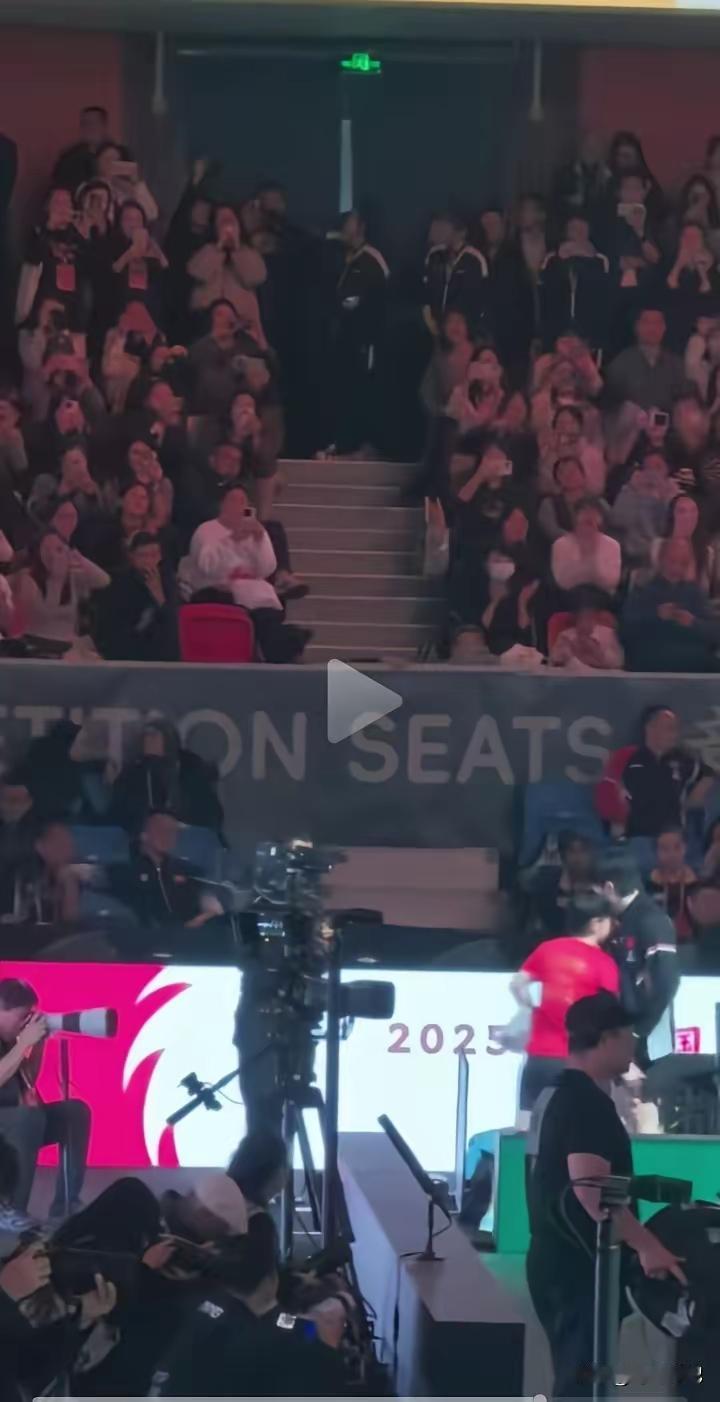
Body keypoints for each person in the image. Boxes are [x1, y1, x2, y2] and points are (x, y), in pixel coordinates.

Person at [526, 990, 686, 1401]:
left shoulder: (553, 1093)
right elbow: (593, 1191)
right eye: (628, 1035)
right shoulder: (586, 1103)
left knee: (578, 1377)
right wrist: (647, 1247)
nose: (633, 1045)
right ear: (605, 1038)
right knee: (582, 1383)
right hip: (579, 1268)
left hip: (552, 1258)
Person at [151, 1210, 347, 1397]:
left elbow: (283, 1322)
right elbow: (294, 1329)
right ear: (271, 1279)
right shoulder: (280, 1340)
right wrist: (327, 1346)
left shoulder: (194, 1313)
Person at [511, 894, 620, 1113]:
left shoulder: (547, 949)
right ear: (596, 923)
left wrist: (530, 1007)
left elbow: (517, 984)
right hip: (582, 1063)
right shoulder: (604, 963)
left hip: (540, 1059)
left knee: (529, 1125)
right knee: (585, 1128)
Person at [183, 487, 311, 663]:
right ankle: (290, 638)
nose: (239, 505)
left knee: (267, 617)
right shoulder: (206, 530)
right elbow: (207, 566)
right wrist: (232, 540)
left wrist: (259, 541)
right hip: (218, 590)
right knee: (259, 619)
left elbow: (267, 568)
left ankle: (288, 642)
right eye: (234, 500)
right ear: (222, 504)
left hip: (253, 591)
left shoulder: (254, 530)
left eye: (243, 501)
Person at [0, 978, 91, 1218]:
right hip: (12, 1124)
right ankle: (12, 1210)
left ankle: (66, 1204)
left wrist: (38, 1045)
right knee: (28, 1118)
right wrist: (24, 1043)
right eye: (22, 1017)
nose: (24, 1024)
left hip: (13, 1122)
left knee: (75, 1112)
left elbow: (27, 1079)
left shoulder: (9, 1041)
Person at [599, 848, 680, 1055]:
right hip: (624, 1030)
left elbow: (667, 981)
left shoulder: (651, 920)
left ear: (609, 888)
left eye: (597, 892)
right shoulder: (621, 919)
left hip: (646, 1038)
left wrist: (640, 1032)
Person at [322, 209, 389, 457]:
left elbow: (355, 300)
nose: (343, 229)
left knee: (363, 391)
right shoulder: (345, 259)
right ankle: (344, 441)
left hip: (366, 341)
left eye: (348, 224)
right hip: (346, 342)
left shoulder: (371, 259)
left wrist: (341, 306)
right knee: (344, 391)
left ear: (361, 228)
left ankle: (365, 443)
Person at [109, 811, 222, 931]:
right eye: (162, 830)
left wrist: (206, 914)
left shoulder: (187, 871)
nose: (169, 836)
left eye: (173, 831)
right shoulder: (122, 872)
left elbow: (209, 904)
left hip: (189, 938)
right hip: (142, 938)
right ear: (144, 835)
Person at [621, 537, 720, 671]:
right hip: (652, 657)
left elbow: (715, 633)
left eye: (683, 563)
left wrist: (693, 623)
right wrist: (656, 615)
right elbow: (625, 631)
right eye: (672, 561)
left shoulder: (695, 593)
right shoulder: (643, 590)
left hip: (692, 659)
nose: (677, 568)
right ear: (661, 560)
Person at [111, 718, 223, 834]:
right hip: (145, 835)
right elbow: (120, 812)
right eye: (145, 737)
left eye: (154, 736)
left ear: (168, 739)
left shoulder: (191, 768)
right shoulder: (133, 772)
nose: (148, 741)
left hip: (187, 833)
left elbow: (211, 814)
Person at [618, 703, 713, 840]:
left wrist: (693, 800)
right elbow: (614, 788)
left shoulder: (682, 758)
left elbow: (708, 774)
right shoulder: (630, 757)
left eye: (675, 729)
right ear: (650, 729)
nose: (674, 734)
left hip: (672, 837)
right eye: (669, 728)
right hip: (638, 836)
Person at [10, 530, 109, 658]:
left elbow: (103, 580)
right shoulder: (28, 577)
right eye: (47, 550)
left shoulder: (73, 576)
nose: (52, 555)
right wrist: (55, 580)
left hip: (67, 645)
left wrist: (78, 557)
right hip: (36, 644)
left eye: (59, 549)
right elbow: (36, 615)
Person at [187, 204, 266, 343]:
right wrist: (218, 248)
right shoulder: (205, 250)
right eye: (222, 222)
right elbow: (197, 273)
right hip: (208, 325)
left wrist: (236, 249)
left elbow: (256, 277)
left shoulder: (249, 252)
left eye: (231, 221)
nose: (228, 227)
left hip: (242, 324)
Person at [96, 531, 179, 661]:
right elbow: (112, 628)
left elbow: (172, 624)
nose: (149, 561)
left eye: (154, 555)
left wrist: (158, 593)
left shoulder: (167, 580)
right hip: (128, 652)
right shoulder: (119, 584)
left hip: (161, 653)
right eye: (143, 556)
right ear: (132, 557)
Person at [539, 213, 610, 353]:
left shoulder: (601, 260)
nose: (578, 234)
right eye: (574, 229)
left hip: (589, 331)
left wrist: (585, 259)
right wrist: (563, 259)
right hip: (557, 329)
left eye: (582, 229)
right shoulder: (551, 259)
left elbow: (603, 294)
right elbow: (547, 293)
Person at [605, 307, 688, 413]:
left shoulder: (677, 364)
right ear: (636, 327)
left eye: (657, 323)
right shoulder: (620, 363)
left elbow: (684, 403)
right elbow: (609, 405)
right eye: (646, 322)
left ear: (664, 328)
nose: (652, 328)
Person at [519, 830, 598, 938]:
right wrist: (564, 892)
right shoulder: (549, 882)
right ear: (564, 855)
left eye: (582, 850)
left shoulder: (601, 884)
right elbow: (552, 923)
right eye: (572, 851)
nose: (577, 857)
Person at [0, 821, 80, 926]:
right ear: (40, 847)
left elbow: (72, 924)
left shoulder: (77, 875)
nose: (67, 850)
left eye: (69, 844)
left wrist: (70, 884)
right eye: (60, 843)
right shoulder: (18, 878)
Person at [423, 212, 488, 336]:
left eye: (444, 227)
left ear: (460, 232)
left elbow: (476, 303)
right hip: (435, 332)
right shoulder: (433, 256)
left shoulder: (474, 259)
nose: (438, 232)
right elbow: (427, 294)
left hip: (463, 335)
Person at [609, 448, 677, 566]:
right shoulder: (630, 490)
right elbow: (618, 520)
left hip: (660, 556)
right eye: (648, 468)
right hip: (627, 553)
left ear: (667, 470)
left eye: (658, 467)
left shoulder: (674, 496)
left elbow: (662, 530)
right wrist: (637, 493)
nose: (652, 473)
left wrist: (658, 499)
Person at [550, 497, 622, 597]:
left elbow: (611, 582)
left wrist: (590, 555)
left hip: (602, 597)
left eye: (593, 513)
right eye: (584, 512)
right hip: (569, 597)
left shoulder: (612, 545)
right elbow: (563, 582)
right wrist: (589, 569)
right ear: (575, 517)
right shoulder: (560, 544)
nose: (589, 516)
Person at [648, 826, 697, 943]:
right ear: (656, 852)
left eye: (677, 847)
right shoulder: (648, 885)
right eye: (664, 849)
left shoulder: (696, 884)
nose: (672, 854)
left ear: (685, 848)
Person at [549, 596, 624, 671]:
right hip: (574, 675)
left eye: (589, 618)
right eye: (581, 618)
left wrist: (598, 653)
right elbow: (554, 661)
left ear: (595, 619)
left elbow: (618, 662)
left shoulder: (608, 634)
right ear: (575, 620)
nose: (585, 623)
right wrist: (570, 653)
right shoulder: (565, 636)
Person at [53, 105, 112, 193]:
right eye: (84, 123)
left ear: (104, 126)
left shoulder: (119, 152)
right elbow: (58, 185)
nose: (89, 127)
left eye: (93, 123)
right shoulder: (69, 156)